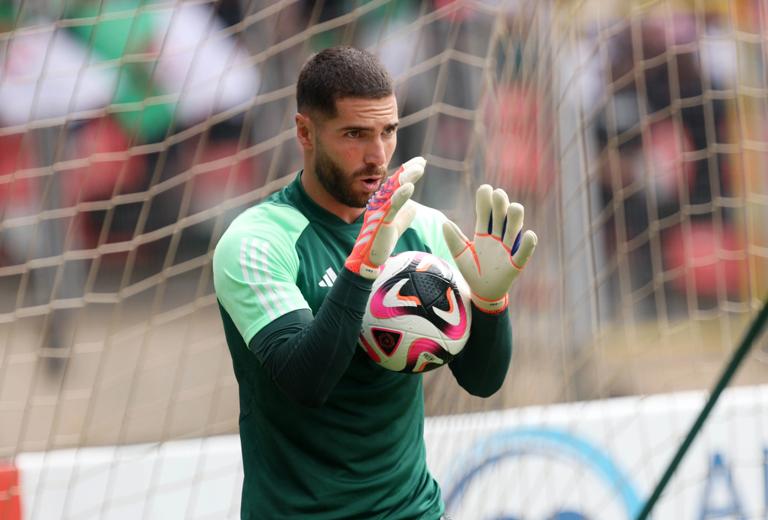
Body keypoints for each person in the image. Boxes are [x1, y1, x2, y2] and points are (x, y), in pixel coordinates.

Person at [212, 46, 537, 519]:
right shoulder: (256, 242)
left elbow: (482, 380)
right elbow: (307, 381)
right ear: (305, 132)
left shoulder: (422, 228)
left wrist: (489, 303)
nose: (377, 156)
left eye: (388, 132)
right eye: (355, 134)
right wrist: (362, 266)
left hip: (412, 510)